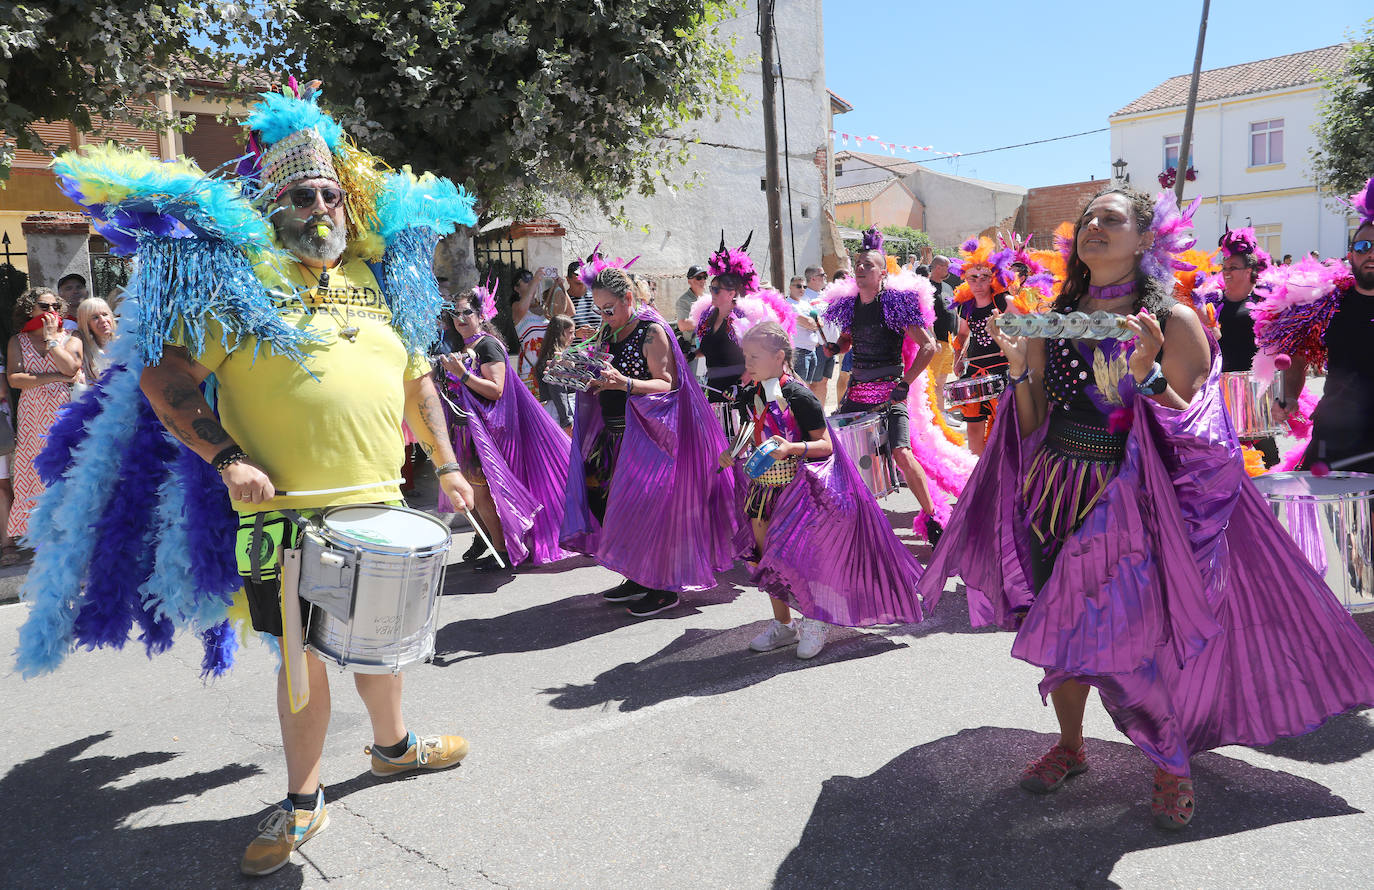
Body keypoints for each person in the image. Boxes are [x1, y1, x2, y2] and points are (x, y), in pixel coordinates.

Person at [35, 82, 481, 876]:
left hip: (379, 504)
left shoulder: (380, 288)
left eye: (328, 194)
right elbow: (166, 380)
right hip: (284, 517)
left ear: (348, 206)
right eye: (299, 196)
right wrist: (228, 459)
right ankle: (305, 799)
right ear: (271, 210)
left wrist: (446, 465)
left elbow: (419, 383)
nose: (319, 207)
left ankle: (393, 748)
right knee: (300, 659)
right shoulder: (238, 291)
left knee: (382, 647)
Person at [922, 184, 1374, 832]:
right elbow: (1033, 421)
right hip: (1056, 495)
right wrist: (1022, 370)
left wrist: (1149, 373)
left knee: (1131, 645)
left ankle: (1170, 762)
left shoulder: (1177, 322)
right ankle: (1073, 747)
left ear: (1146, 239)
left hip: (1130, 504)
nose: (1094, 227)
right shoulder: (1057, 315)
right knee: (1060, 629)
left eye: (1112, 218)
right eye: (1088, 219)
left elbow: (1197, 436)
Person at [721, 321, 925, 659]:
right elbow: (751, 430)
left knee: (803, 561)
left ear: (779, 356)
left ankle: (815, 619)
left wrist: (791, 448)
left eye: (754, 356)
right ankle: (784, 625)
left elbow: (826, 445)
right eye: (746, 356)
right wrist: (733, 450)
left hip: (798, 493)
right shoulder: (751, 393)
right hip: (762, 491)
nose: (749, 363)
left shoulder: (799, 395)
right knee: (765, 559)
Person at [561, 262, 743, 617]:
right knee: (606, 504)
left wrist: (623, 383)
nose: (604, 315)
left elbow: (667, 383)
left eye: (609, 309)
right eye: (599, 309)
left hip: (648, 439)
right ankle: (637, 576)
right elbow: (604, 372)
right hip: (613, 437)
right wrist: (582, 374)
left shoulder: (651, 331)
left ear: (628, 298)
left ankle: (663, 587)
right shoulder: (608, 331)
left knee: (648, 511)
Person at [436, 286, 572, 571]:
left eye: (466, 312)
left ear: (481, 314)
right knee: (475, 493)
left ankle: (502, 551)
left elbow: (496, 390)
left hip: (486, 435)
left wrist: (461, 375)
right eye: (455, 313)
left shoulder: (487, 345)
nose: (460, 318)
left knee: (482, 494)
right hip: (466, 431)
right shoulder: (467, 346)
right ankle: (487, 539)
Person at [823, 227, 944, 543]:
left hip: (890, 394)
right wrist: (836, 348)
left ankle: (932, 518)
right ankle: (851, 516)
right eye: (858, 265)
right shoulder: (850, 306)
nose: (861, 269)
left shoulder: (894, 303)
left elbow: (930, 347)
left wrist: (904, 385)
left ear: (882, 273)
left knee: (902, 454)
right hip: (857, 393)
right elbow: (849, 339)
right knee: (838, 452)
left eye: (868, 266)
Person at [1270, 178, 1374, 471]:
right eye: (1363, 246)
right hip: (1336, 436)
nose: (1371, 253)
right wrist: (1290, 396)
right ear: (1351, 254)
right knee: (1340, 517)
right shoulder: (1328, 304)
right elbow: (1301, 355)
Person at [6, 286, 82, 542]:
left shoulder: (71, 335)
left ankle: (72, 530)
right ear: (30, 309)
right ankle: (42, 534)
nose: (51, 311)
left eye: (55, 307)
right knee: (35, 470)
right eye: (45, 306)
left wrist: (51, 340)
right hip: (33, 415)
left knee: (68, 466)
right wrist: (55, 377)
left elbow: (70, 368)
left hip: (64, 412)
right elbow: (15, 379)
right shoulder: (18, 341)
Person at [1212, 228, 1279, 466]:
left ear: (1249, 271)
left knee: (1265, 452)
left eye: (1233, 268)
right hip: (1220, 386)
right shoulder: (1213, 301)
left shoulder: (1263, 300)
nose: (1227, 272)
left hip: (1254, 387)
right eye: (1225, 267)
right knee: (1225, 453)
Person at [950, 238, 1013, 455]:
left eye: (984, 277)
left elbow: (1024, 326)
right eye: (972, 278)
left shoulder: (1003, 301)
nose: (978, 283)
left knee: (1001, 423)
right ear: (966, 280)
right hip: (974, 370)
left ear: (992, 279)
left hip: (1001, 368)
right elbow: (963, 333)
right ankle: (977, 467)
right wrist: (957, 358)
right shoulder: (966, 306)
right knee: (973, 423)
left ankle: (998, 465)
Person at [925, 253, 959, 419]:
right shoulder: (927, 287)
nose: (949, 270)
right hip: (936, 340)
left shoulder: (948, 287)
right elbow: (926, 314)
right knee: (933, 381)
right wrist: (932, 338)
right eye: (946, 267)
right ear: (938, 267)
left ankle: (941, 413)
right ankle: (932, 414)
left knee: (942, 381)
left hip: (948, 341)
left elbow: (953, 310)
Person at [536, 314, 577, 433]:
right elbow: (558, 391)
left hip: (561, 409)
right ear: (560, 333)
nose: (573, 337)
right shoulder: (555, 359)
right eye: (570, 332)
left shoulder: (558, 355)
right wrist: (567, 420)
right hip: (561, 411)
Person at [511, 268, 549, 397]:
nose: (531, 282)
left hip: (549, 364)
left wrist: (558, 285)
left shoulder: (544, 306)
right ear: (516, 288)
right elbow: (522, 308)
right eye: (526, 280)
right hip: (530, 368)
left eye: (531, 278)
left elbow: (570, 313)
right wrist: (536, 280)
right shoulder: (516, 307)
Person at [801, 266, 836, 401]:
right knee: (813, 384)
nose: (825, 276)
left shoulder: (824, 295)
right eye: (822, 274)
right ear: (813, 278)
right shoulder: (804, 297)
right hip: (818, 347)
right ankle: (813, 416)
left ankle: (821, 415)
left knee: (823, 382)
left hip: (830, 346)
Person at [76, 296, 116, 383]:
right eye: (95, 317)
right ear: (86, 324)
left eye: (105, 314)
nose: (103, 320)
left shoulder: (126, 343)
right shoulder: (84, 352)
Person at [676, 264, 709, 338]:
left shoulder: (708, 298)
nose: (703, 280)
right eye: (699, 278)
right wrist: (709, 320)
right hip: (694, 346)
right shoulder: (683, 301)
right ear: (689, 281)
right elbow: (683, 325)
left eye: (704, 277)